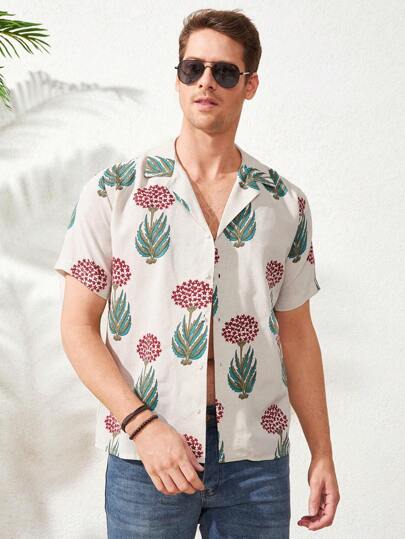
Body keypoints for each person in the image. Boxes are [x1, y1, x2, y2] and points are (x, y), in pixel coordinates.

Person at [54, 8, 340, 538]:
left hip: (255, 456)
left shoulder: (284, 203)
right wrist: (143, 427)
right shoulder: (114, 192)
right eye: (193, 69)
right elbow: (76, 327)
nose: (206, 82)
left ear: (250, 85)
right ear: (179, 78)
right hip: (146, 455)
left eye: (225, 72)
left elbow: (298, 335)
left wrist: (322, 452)